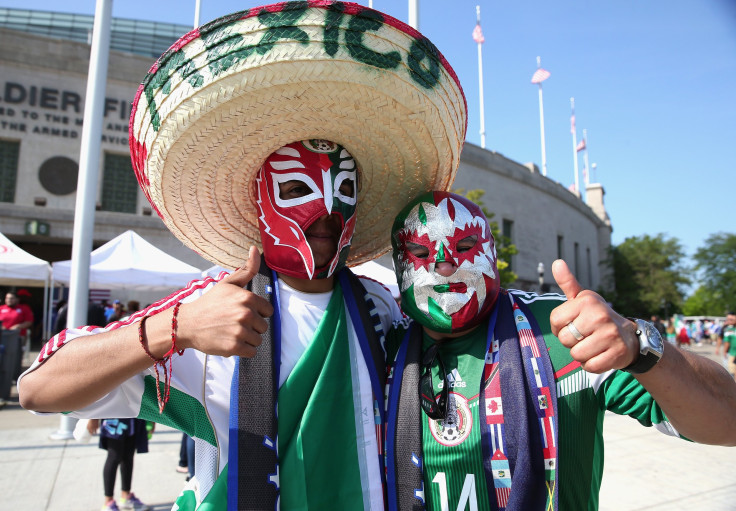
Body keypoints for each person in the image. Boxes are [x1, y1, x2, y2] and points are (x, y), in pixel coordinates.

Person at [18, 3, 467, 510]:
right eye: (298, 188)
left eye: (344, 189)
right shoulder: (210, 308)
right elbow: (38, 388)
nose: (326, 211)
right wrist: (175, 328)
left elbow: (483, 353)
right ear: (261, 201)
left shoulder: (387, 312)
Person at [382, 191, 736, 510]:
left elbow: (728, 422)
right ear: (400, 264)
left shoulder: (562, 329)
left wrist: (640, 347)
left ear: (490, 248)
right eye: (421, 252)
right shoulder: (381, 347)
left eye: (464, 246)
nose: (445, 264)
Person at [87, 417, 153, 511]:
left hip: (134, 414)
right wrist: (93, 418)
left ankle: (125, 496)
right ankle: (108, 501)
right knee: (114, 456)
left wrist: (152, 418)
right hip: (114, 416)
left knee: (128, 456)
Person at [722, 312, 736, 380]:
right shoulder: (729, 329)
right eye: (728, 319)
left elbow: (727, 343)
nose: (729, 321)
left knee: (732, 372)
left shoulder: (729, 330)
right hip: (733, 353)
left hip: (733, 354)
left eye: (731, 319)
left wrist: (724, 351)